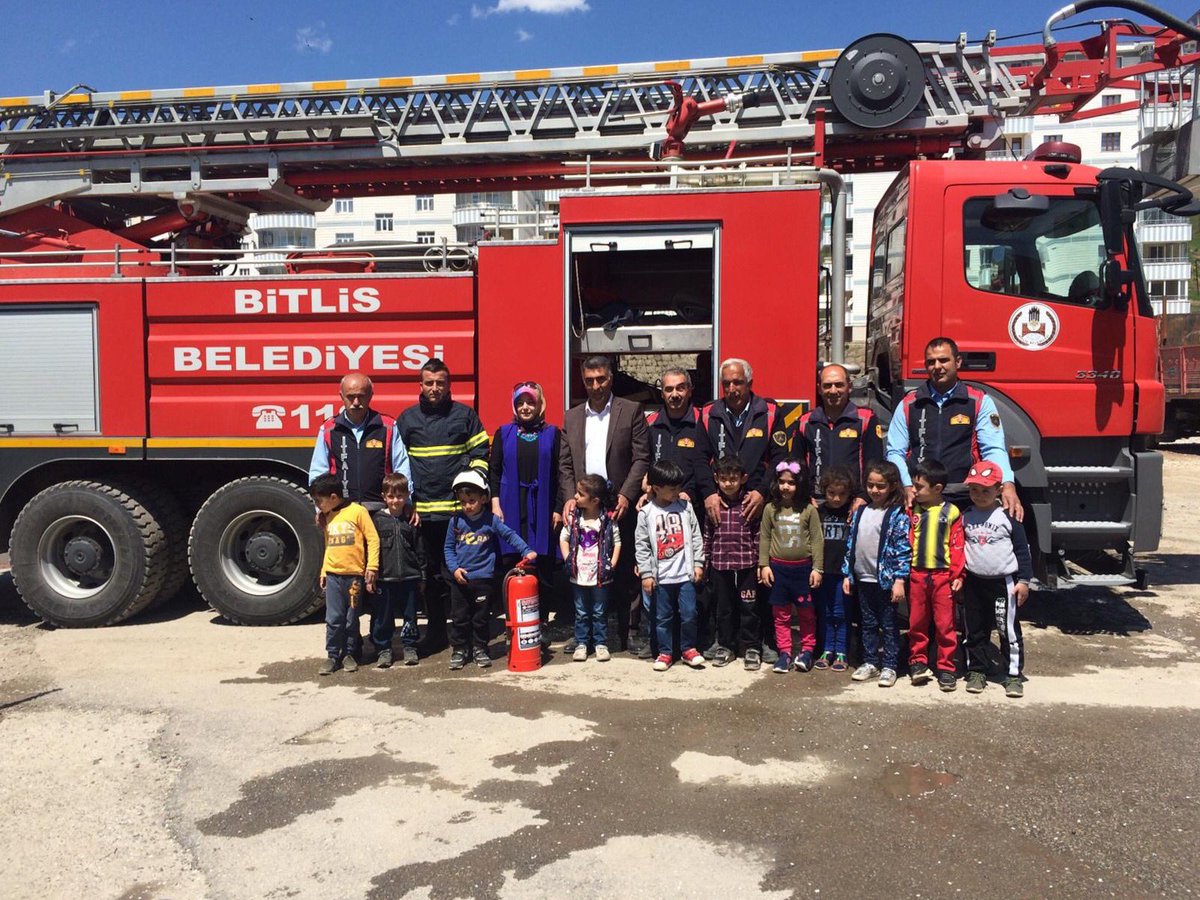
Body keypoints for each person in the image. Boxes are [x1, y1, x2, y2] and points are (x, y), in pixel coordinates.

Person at [701, 357, 791, 664]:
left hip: (757, 507)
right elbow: (700, 460)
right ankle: (724, 642)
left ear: (750, 383)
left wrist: (761, 491)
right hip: (722, 506)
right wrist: (710, 494)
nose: (731, 388)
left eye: (737, 382)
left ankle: (760, 641)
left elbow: (781, 457)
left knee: (758, 584)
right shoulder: (708, 415)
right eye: (726, 383)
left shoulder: (769, 413)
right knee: (723, 593)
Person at [397, 359, 490, 653]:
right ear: (420, 385)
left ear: (449, 384)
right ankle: (437, 633)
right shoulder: (407, 419)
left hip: (456, 516)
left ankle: (464, 637)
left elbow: (480, 455)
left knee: (460, 576)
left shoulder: (464, 416)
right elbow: (399, 465)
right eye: (429, 383)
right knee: (432, 578)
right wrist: (408, 503)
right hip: (423, 516)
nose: (435, 388)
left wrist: (468, 498)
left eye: (440, 383)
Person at [559, 355, 650, 654]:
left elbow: (641, 458)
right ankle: (584, 635)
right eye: (589, 380)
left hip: (618, 503)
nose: (596, 385)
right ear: (583, 381)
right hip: (586, 506)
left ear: (611, 378)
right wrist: (571, 497)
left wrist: (626, 494)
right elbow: (566, 464)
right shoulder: (571, 417)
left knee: (624, 569)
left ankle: (630, 631)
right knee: (583, 571)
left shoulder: (631, 411)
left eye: (601, 379)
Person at [886, 336, 1023, 521]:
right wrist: (907, 486)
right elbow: (895, 452)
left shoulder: (979, 401)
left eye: (943, 360)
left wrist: (1007, 484)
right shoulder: (909, 403)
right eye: (931, 362)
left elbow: (992, 449)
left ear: (957, 362)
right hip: (921, 497)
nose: (937, 366)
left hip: (965, 496)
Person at [642, 366, 717, 658]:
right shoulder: (651, 424)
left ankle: (695, 641)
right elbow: (644, 462)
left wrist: (697, 494)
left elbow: (707, 463)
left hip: (691, 512)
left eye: (680, 388)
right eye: (669, 389)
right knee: (660, 583)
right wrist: (646, 489)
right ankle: (661, 645)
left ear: (689, 390)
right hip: (659, 514)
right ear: (662, 392)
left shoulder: (702, 422)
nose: (674, 395)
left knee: (693, 581)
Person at [443, 469, 536, 670]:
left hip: (483, 579)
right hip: (460, 580)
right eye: (463, 501)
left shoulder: (491, 520)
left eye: (472, 500)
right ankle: (460, 649)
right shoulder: (455, 521)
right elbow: (448, 548)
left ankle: (480, 649)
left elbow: (510, 535)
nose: (467, 506)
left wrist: (526, 551)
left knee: (480, 619)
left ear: (484, 498)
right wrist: (454, 569)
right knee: (459, 617)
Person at [489, 381, 562, 635]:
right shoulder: (503, 432)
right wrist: (495, 501)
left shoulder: (553, 433)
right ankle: (515, 622)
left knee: (542, 564)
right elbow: (494, 470)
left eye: (530, 402)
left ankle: (540, 622)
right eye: (520, 402)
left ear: (540, 404)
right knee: (512, 562)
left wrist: (558, 507)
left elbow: (560, 473)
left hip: (542, 507)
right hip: (511, 505)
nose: (525, 407)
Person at [957, 462, 1032, 698]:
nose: (979, 496)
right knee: (975, 629)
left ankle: (1012, 674)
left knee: (1006, 629)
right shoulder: (966, 516)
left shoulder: (1008, 517)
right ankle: (977, 670)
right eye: (974, 490)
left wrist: (1024, 581)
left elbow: (1022, 550)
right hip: (974, 583)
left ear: (999, 490)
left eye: (986, 490)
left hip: (1003, 584)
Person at [844, 461, 911, 688]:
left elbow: (902, 549)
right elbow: (851, 543)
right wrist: (847, 574)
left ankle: (890, 665)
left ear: (892, 486)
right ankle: (870, 661)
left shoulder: (897, 514)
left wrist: (899, 580)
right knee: (868, 623)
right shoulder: (861, 510)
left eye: (880, 486)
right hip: (863, 578)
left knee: (890, 624)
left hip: (886, 581)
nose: (874, 490)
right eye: (870, 485)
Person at [635, 460, 706, 672]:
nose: (678, 492)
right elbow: (642, 545)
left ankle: (688, 649)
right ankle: (665, 652)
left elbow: (695, 536)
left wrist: (699, 563)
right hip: (661, 578)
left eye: (679, 487)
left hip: (685, 575)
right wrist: (647, 574)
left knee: (689, 613)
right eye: (673, 489)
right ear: (656, 488)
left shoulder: (685, 508)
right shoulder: (646, 513)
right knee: (662, 617)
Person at [758, 458, 823, 674]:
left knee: (806, 613)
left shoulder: (808, 510)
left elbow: (817, 539)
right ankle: (785, 652)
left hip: (803, 571)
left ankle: (807, 650)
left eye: (791, 482)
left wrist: (817, 568)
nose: (786, 486)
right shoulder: (770, 509)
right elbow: (765, 538)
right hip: (778, 570)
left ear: (800, 484)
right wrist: (764, 564)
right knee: (781, 614)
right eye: (782, 481)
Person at [309, 373, 413, 508]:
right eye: (351, 397)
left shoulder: (387, 427)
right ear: (341, 396)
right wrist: (320, 509)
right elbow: (318, 474)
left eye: (361, 396)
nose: (356, 402)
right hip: (343, 511)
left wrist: (407, 502)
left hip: (381, 509)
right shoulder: (329, 430)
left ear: (370, 395)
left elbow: (402, 469)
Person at [310, 473, 379, 676]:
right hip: (333, 576)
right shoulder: (326, 516)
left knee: (351, 618)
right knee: (333, 618)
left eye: (318, 501)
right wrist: (324, 570)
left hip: (354, 577)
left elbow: (372, 539)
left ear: (333, 497)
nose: (317, 505)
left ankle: (350, 653)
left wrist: (372, 567)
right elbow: (328, 546)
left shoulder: (358, 512)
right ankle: (333, 655)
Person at [907, 459, 965, 692]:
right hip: (917, 575)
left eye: (919, 487)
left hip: (943, 578)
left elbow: (958, 545)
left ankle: (946, 667)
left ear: (938, 489)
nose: (913, 490)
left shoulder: (951, 512)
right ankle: (918, 662)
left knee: (945, 624)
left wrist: (958, 575)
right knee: (916, 622)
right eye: (913, 485)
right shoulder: (912, 510)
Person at [794, 363, 883, 505]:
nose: (833, 390)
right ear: (819, 389)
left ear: (850, 386)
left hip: (854, 502)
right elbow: (796, 466)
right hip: (815, 503)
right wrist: (804, 496)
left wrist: (864, 497)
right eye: (827, 385)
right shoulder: (805, 422)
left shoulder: (866, 419)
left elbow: (875, 464)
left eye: (839, 385)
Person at [704, 455, 761, 670]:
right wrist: (705, 562)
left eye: (733, 479)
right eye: (724, 479)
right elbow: (707, 534)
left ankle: (751, 647)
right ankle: (726, 645)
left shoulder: (749, 503)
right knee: (724, 609)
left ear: (743, 478)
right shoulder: (713, 504)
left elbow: (758, 534)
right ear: (716, 478)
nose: (729, 483)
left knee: (750, 608)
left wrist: (760, 563)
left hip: (747, 564)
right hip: (720, 564)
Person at [560, 474, 621, 662]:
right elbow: (563, 538)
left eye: (580, 494)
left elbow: (617, 543)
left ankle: (601, 643)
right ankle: (581, 644)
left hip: (600, 576)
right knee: (581, 612)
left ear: (594, 500)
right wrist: (568, 559)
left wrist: (612, 564)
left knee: (599, 611)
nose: (575, 497)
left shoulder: (608, 520)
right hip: (579, 576)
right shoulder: (574, 518)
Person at [370, 473, 426, 668]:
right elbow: (371, 549)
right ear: (384, 497)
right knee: (383, 617)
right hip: (385, 578)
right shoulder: (376, 520)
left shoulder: (411, 520)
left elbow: (419, 549)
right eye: (391, 496)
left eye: (400, 496)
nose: (396, 501)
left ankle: (410, 647)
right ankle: (384, 650)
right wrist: (371, 575)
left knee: (410, 616)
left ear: (407, 495)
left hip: (410, 576)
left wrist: (422, 576)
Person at [813, 465, 855, 672]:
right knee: (826, 612)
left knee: (841, 613)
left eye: (842, 494)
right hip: (823, 571)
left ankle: (842, 651)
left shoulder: (852, 513)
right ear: (824, 491)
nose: (836, 499)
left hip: (843, 573)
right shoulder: (819, 513)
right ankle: (827, 649)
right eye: (831, 493)